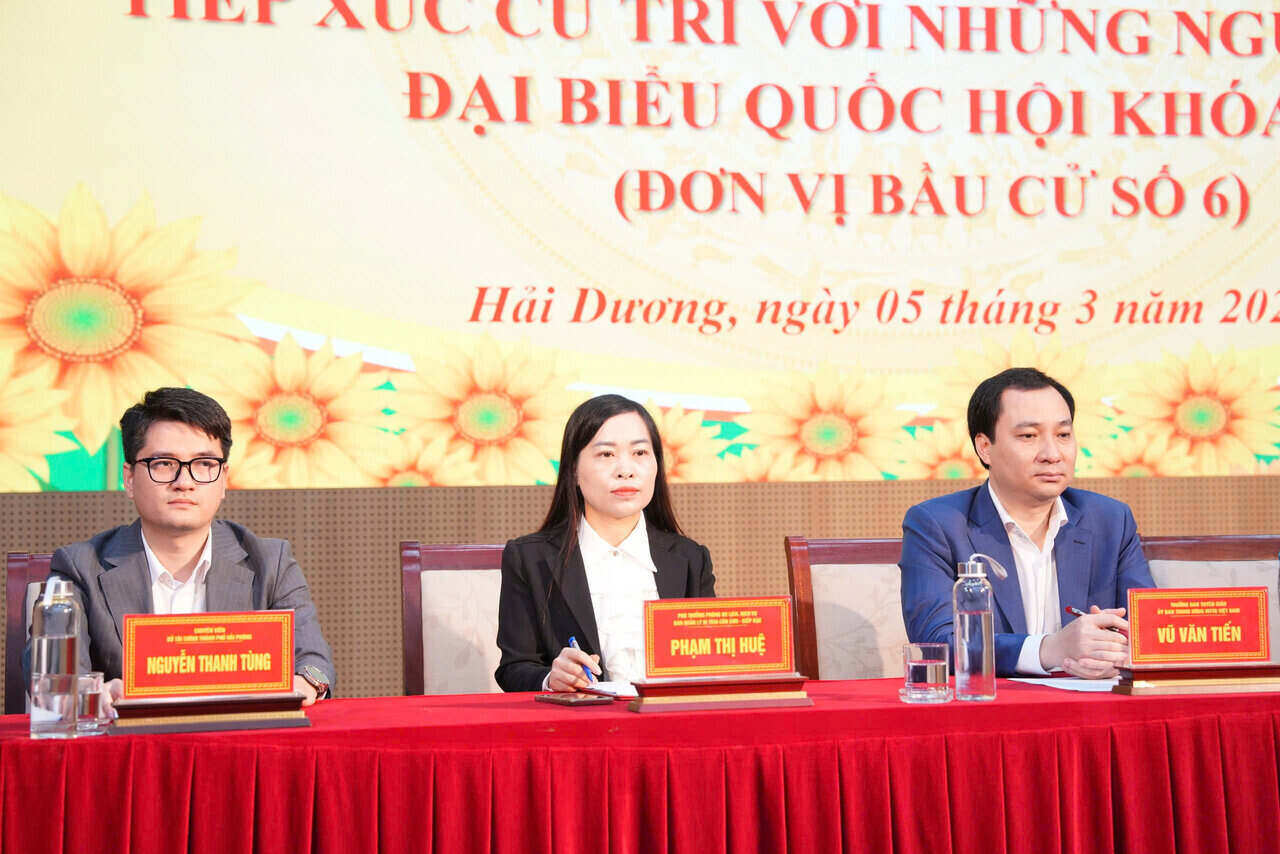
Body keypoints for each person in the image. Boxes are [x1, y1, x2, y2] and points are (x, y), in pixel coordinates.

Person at [23, 388, 335, 707]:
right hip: (133, 747)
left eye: (203, 464)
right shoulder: (80, 567)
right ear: (129, 478)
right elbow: (52, 677)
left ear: (223, 478)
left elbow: (312, 662)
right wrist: (92, 695)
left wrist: (306, 682)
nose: (184, 482)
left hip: (233, 742)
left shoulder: (270, 562)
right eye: (163, 464)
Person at [899, 368, 1155, 678]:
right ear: (985, 447)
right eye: (1029, 436)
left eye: (1063, 435)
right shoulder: (938, 525)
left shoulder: (1111, 520)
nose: (1052, 454)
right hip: (991, 712)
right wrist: (1051, 648)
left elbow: (1148, 632)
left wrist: (1114, 652)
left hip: (1091, 708)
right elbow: (939, 643)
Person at [495, 394, 716, 692]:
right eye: (606, 455)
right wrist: (550, 678)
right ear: (573, 470)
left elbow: (711, 665)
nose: (626, 470)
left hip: (668, 724)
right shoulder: (530, 559)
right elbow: (514, 669)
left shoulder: (690, 559)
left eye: (640, 453)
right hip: (578, 729)